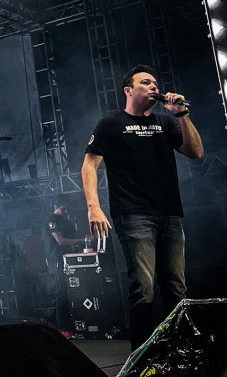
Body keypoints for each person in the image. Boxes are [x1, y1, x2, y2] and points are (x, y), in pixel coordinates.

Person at [82, 65, 203, 351]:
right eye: (146, 82)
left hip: (170, 214)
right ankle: (143, 356)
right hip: (133, 214)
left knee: (176, 288)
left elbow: (196, 152)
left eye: (155, 83)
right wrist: (93, 207)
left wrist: (182, 114)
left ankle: (178, 351)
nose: (153, 86)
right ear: (128, 90)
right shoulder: (110, 123)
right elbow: (89, 164)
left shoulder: (167, 122)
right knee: (143, 288)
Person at [45, 203, 82, 334]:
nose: (66, 210)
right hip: (57, 260)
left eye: (67, 208)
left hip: (68, 259)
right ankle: (63, 329)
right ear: (55, 206)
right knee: (61, 293)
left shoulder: (66, 221)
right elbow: (60, 241)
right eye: (63, 208)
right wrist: (81, 240)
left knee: (71, 291)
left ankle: (75, 325)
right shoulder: (52, 220)